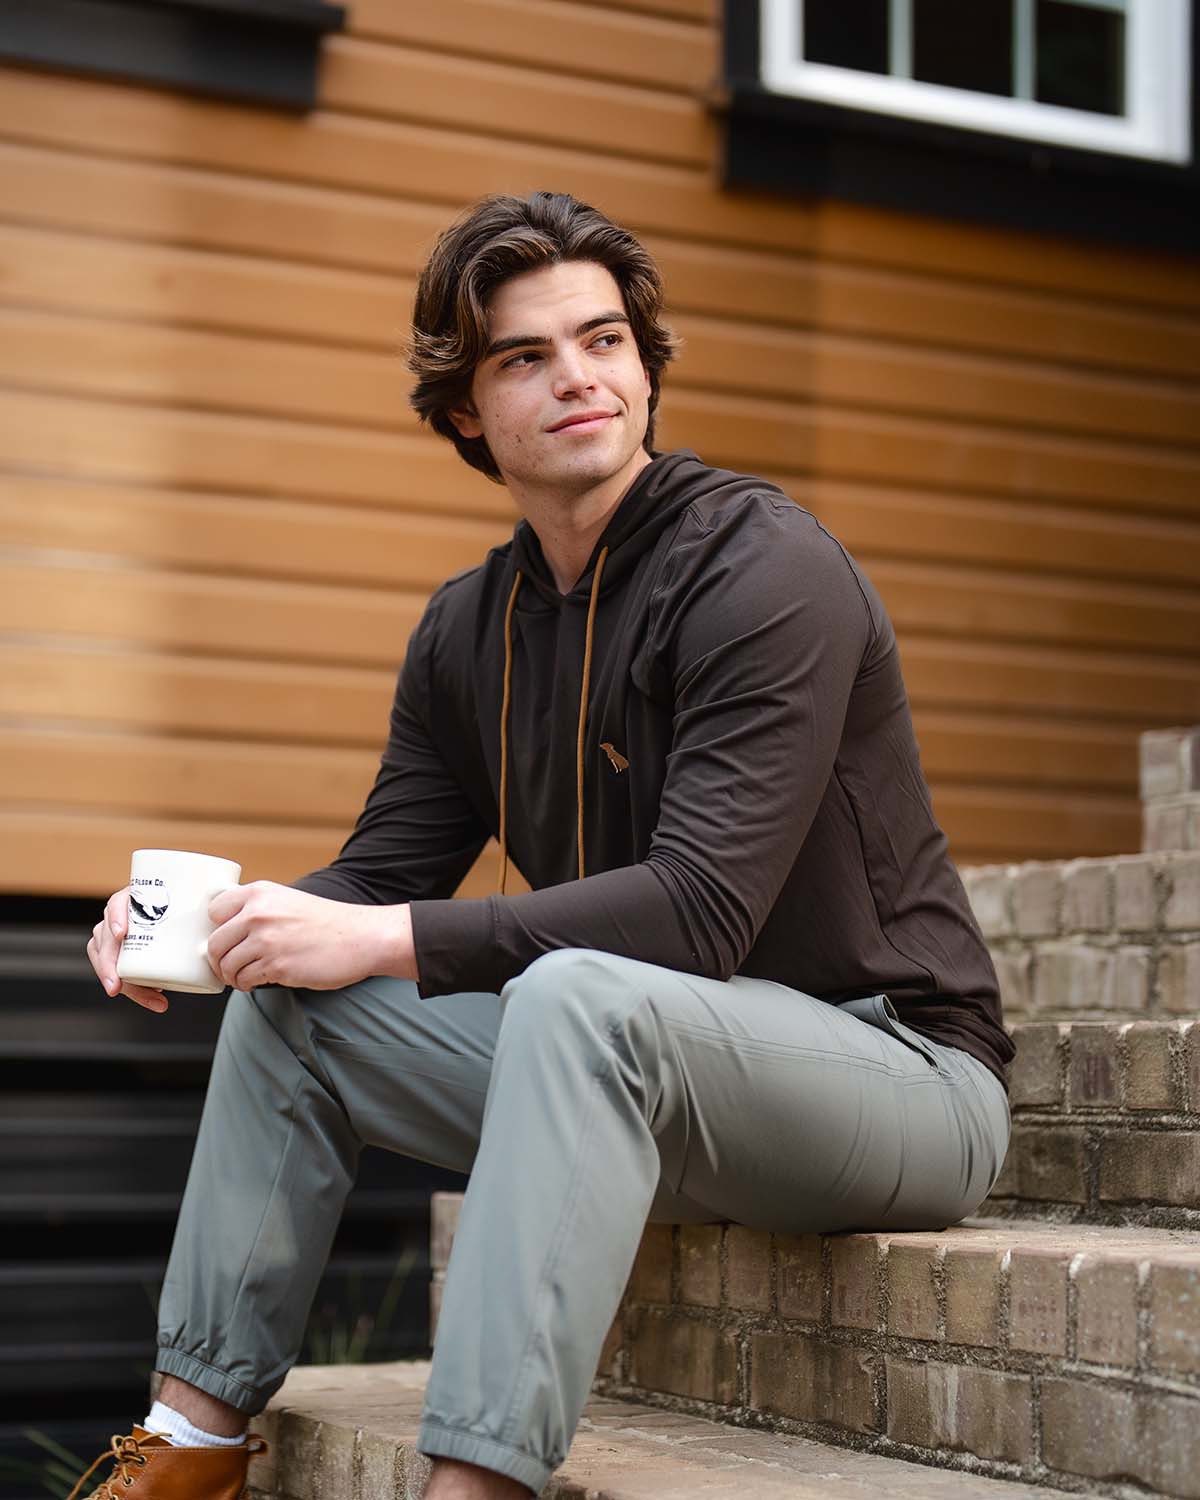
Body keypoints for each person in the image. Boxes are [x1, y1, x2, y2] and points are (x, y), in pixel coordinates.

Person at [81, 189, 1015, 1500]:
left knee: (576, 995)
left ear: (643, 365)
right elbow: (377, 882)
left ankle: (476, 1488)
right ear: (467, 411)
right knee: (296, 1007)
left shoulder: (763, 568)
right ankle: (189, 1454)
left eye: (606, 340)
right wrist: (209, 928)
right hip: (654, 1081)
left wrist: (384, 936)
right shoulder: (471, 629)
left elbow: (699, 918)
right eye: (527, 357)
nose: (579, 377)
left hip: (892, 1073)